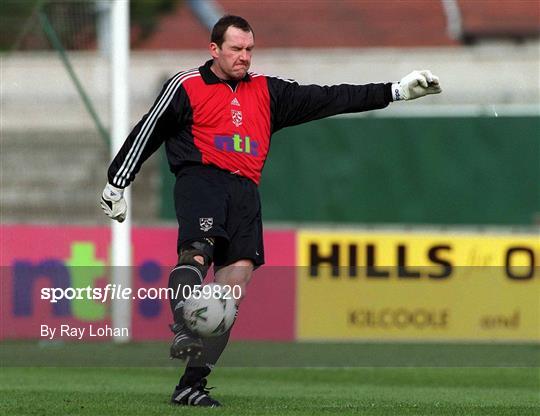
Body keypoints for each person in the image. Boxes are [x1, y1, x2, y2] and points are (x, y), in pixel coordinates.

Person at [100, 15, 441, 407]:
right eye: (235, 49)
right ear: (214, 49)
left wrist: (396, 90)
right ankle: (184, 326)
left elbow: (330, 97)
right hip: (202, 180)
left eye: (249, 50)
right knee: (197, 250)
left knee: (233, 290)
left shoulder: (268, 91)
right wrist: (117, 181)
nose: (244, 57)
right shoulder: (186, 86)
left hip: (246, 192)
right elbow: (150, 129)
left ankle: (191, 384)